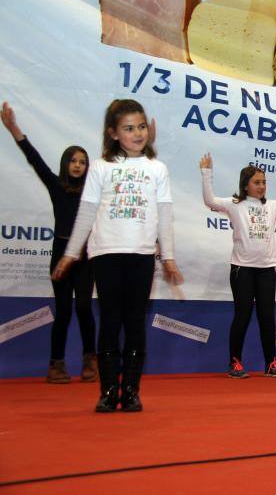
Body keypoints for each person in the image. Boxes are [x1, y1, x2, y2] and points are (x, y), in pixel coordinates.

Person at [53, 99, 183, 412]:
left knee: (135, 322)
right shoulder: (100, 167)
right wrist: (71, 253)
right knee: (110, 320)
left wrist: (167, 256)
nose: (137, 133)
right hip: (106, 253)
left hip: (140, 254)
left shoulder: (157, 169)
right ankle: (109, 391)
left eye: (140, 127)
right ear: (113, 133)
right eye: (128, 128)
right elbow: (86, 213)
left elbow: (164, 215)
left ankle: (132, 391)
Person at [200, 153, 276, 379]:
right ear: (245, 185)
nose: (262, 186)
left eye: (264, 182)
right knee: (243, 316)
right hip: (242, 269)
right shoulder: (235, 205)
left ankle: (271, 363)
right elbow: (210, 201)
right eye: (257, 182)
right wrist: (206, 174)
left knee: (267, 317)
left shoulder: (273, 207)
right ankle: (235, 362)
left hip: (267, 269)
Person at [2, 101, 97, 384]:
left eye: (83, 162)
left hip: (85, 256)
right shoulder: (56, 185)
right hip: (60, 252)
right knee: (64, 311)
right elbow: (34, 159)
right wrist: (14, 129)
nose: (78, 165)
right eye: (74, 161)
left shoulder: (93, 193)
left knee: (83, 307)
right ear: (66, 163)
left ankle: (90, 361)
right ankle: (56, 365)